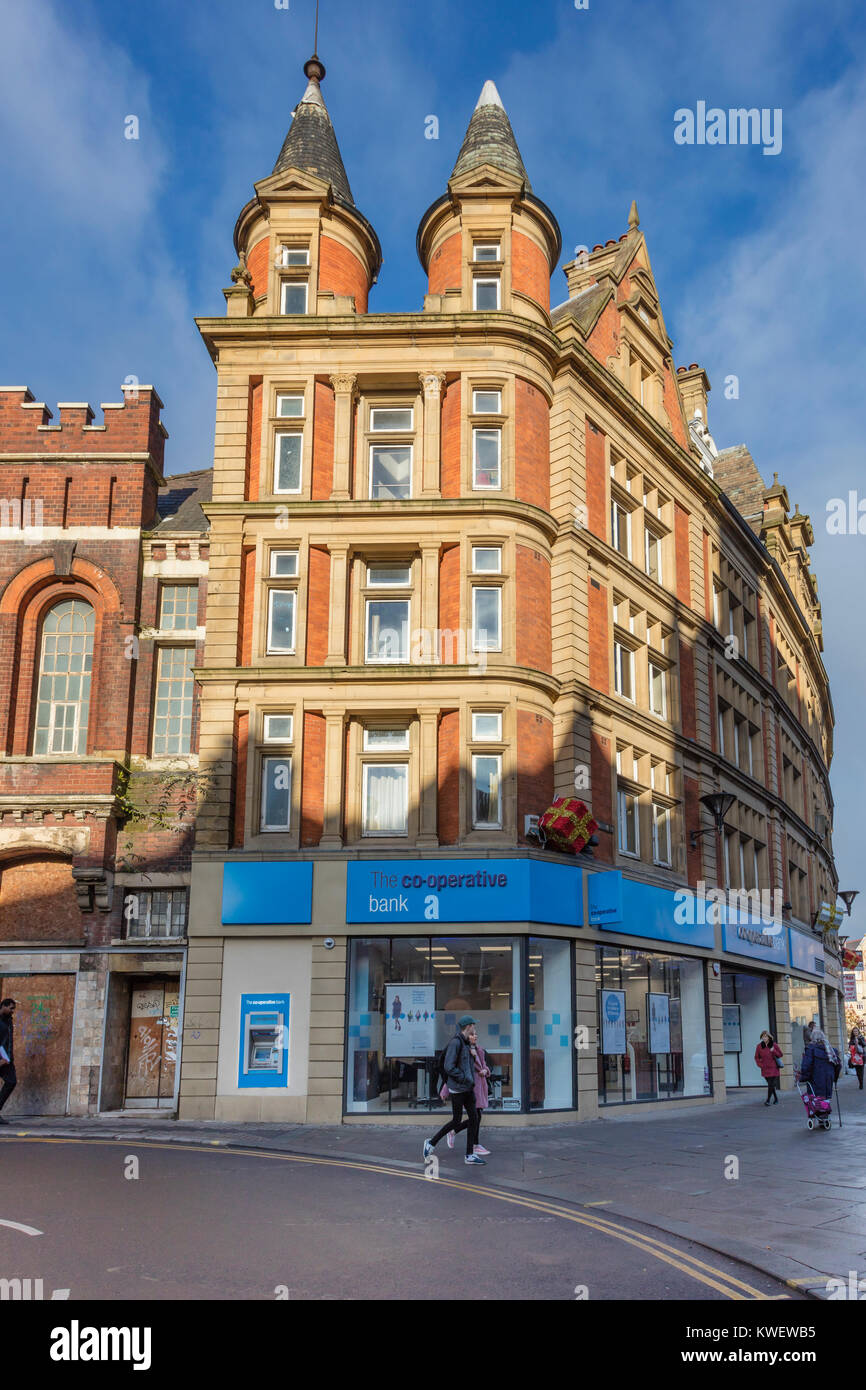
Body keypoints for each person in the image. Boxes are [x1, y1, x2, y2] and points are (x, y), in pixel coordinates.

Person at [423, 1015, 485, 1166]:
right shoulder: (455, 1043)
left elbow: (469, 1064)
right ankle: (431, 1142)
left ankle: (469, 1155)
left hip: (468, 1088)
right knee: (456, 1120)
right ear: (468, 1026)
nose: (475, 1028)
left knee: (474, 1118)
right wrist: (463, 1078)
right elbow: (448, 1066)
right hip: (458, 1089)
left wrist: (473, 1051)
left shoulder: (467, 1043)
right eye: (473, 1025)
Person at [445, 1023, 492, 1155]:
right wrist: (445, 1090)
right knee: (475, 1117)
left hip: (479, 1086)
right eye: (472, 1034)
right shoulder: (464, 1049)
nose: (475, 1036)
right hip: (471, 1086)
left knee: (476, 1116)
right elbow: (453, 1069)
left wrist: (485, 1070)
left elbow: (486, 1066)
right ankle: (472, 1144)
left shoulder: (480, 1050)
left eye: (476, 1034)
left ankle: (463, 1137)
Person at [800, 1027, 837, 1101]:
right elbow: (837, 1065)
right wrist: (834, 1078)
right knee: (825, 1102)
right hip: (828, 1080)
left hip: (815, 1081)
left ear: (812, 1037)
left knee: (816, 1104)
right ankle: (825, 1111)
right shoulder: (831, 1050)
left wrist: (803, 1078)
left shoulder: (810, 1049)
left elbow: (806, 1066)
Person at [0, 999, 17, 1124]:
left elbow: (8, 1041)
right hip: (1, 1058)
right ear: (3, 1006)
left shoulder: (9, 1021)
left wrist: (8, 1057)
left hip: (7, 1059)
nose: (12, 1011)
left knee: (11, 1082)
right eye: (11, 1008)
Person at [754, 1030, 783, 1105]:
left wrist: (774, 1051)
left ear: (769, 1037)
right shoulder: (759, 1046)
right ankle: (776, 1098)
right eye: (763, 1037)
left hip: (773, 1067)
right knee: (771, 1085)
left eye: (765, 1036)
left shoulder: (774, 1045)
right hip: (764, 1068)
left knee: (770, 1084)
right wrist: (760, 1065)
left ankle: (768, 1100)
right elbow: (756, 1057)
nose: (764, 1038)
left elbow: (780, 1054)